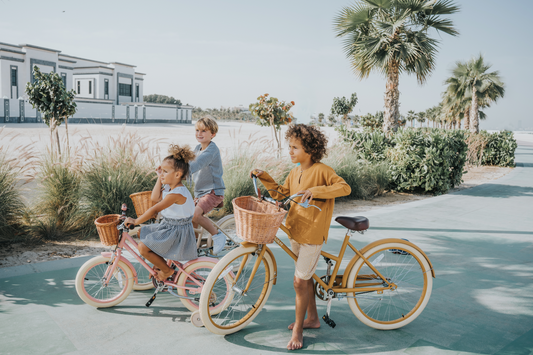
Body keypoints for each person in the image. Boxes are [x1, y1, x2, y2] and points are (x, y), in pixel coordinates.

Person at [251, 124, 351, 351]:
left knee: (298, 281)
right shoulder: (295, 171)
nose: (291, 151)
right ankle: (313, 320)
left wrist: (317, 191)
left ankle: (298, 329)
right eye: (290, 147)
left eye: (295, 147)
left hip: (313, 234)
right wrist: (264, 176)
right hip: (295, 230)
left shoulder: (323, 170)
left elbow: (344, 188)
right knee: (305, 279)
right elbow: (281, 194)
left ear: (310, 150)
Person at [125, 144, 198, 282]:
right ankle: (160, 263)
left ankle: (166, 270)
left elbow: (155, 208)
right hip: (169, 226)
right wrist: (160, 177)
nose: (162, 173)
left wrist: (135, 221)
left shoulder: (177, 193)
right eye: (161, 171)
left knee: (143, 247)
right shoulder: (170, 188)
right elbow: (154, 197)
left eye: (165, 171)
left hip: (177, 231)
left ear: (177, 175)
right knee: (142, 232)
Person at [189, 117, 226, 255]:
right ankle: (195, 247)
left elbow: (197, 163)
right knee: (189, 218)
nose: (199, 133)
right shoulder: (197, 148)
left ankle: (217, 235)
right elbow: (188, 160)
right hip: (200, 193)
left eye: (204, 131)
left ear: (213, 134)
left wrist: (180, 171)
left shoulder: (212, 150)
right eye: (197, 130)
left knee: (194, 215)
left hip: (212, 191)